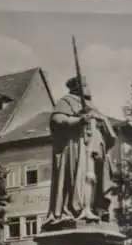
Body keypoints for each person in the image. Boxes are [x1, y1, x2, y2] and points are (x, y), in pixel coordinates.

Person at [43, 76, 116, 229]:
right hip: (77, 148)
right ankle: (80, 209)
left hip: (96, 148)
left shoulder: (92, 106)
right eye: (84, 85)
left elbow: (108, 131)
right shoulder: (66, 101)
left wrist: (100, 120)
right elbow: (57, 121)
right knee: (81, 178)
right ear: (77, 88)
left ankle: (94, 208)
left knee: (94, 179)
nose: (88, 88)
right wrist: (79, 120)